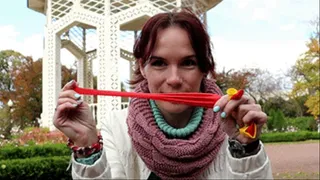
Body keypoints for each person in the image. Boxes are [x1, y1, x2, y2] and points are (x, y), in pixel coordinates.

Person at [53, 9, 273, 179]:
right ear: (142, 67)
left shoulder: (231, 126)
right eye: (159, 63)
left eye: (188, 63)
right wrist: (86, 143)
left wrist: (245, 149)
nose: (174, 79)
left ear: (204, 68)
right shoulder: (118, 126)